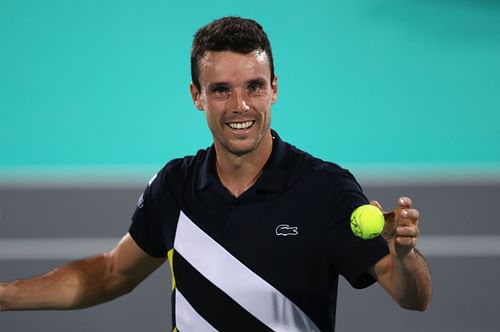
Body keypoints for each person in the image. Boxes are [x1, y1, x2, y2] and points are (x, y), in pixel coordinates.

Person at [0, 16, 432, 331]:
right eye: (221, 90)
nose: (240, 106)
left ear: (274, 88)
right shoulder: (174, 187)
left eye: (254, 87)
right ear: (197, 96)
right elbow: (113, 274)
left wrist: (404, 256)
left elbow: (412, 298)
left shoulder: (325, 189)